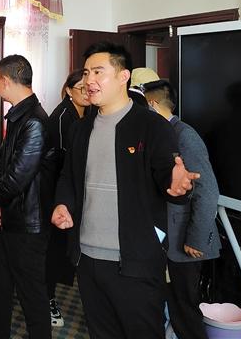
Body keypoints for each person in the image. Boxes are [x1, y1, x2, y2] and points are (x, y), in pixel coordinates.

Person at [52, 41, 199, 339]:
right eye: (86, 73)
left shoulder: (152, 126)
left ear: (123, 76)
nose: (88, 80)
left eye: (98, 72)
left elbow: (169, 177)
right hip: (87, 257)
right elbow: (68, 177)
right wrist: (63, 204)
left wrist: (179, 185)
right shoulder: (81, 128)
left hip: (135, 261)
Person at [143, 79, 221, 339]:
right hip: (166, 237)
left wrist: (196, 238)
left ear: (152, 104)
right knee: (170, 304)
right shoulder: (161, 134)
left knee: (185, 309)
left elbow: (207, 190)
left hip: (186, 241)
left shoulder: (184, 135)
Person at [0, 54, 54, 339]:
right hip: (7, 220)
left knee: (32, 298)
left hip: (27, 226)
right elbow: (2, 166)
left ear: (4, 80)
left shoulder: (34, 121)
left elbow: (17, 177)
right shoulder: (18, 115)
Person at [44, 68, 90, 328]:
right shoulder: (63, 116)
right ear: (69, 90)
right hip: (58, 194)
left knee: (71, 248)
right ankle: (47, 299)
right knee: (55, 249)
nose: (86, 92)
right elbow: (63, 162)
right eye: (80, 88)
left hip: (79, 194)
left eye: (88, 87)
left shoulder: (91, 114)